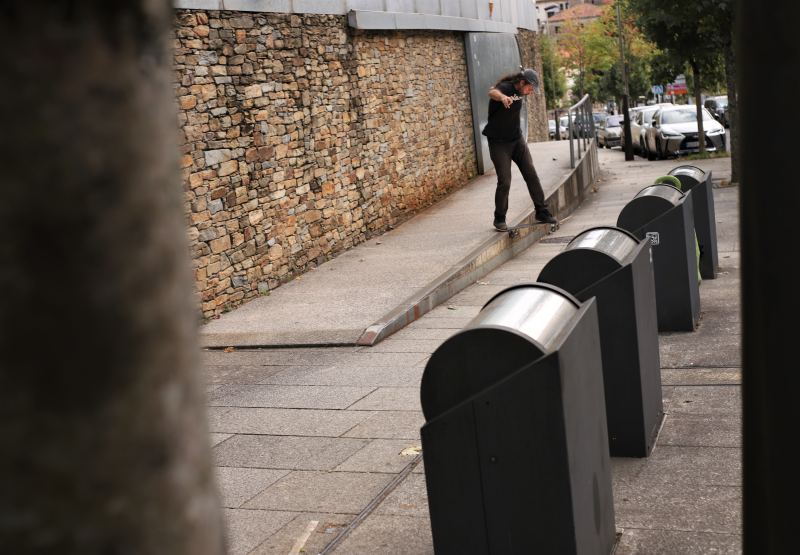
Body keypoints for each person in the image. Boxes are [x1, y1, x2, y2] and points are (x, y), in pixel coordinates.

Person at [482, 68, 556, 231]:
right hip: (499, 143)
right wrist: (502, 98)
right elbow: (492, 92)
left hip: (516, 140)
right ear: (522, 82)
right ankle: (499, 218)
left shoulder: (522, 91)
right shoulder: (506, 87)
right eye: (529, 88)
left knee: (531, 174)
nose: (530, 92)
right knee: (505, 180)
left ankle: (541, 211)